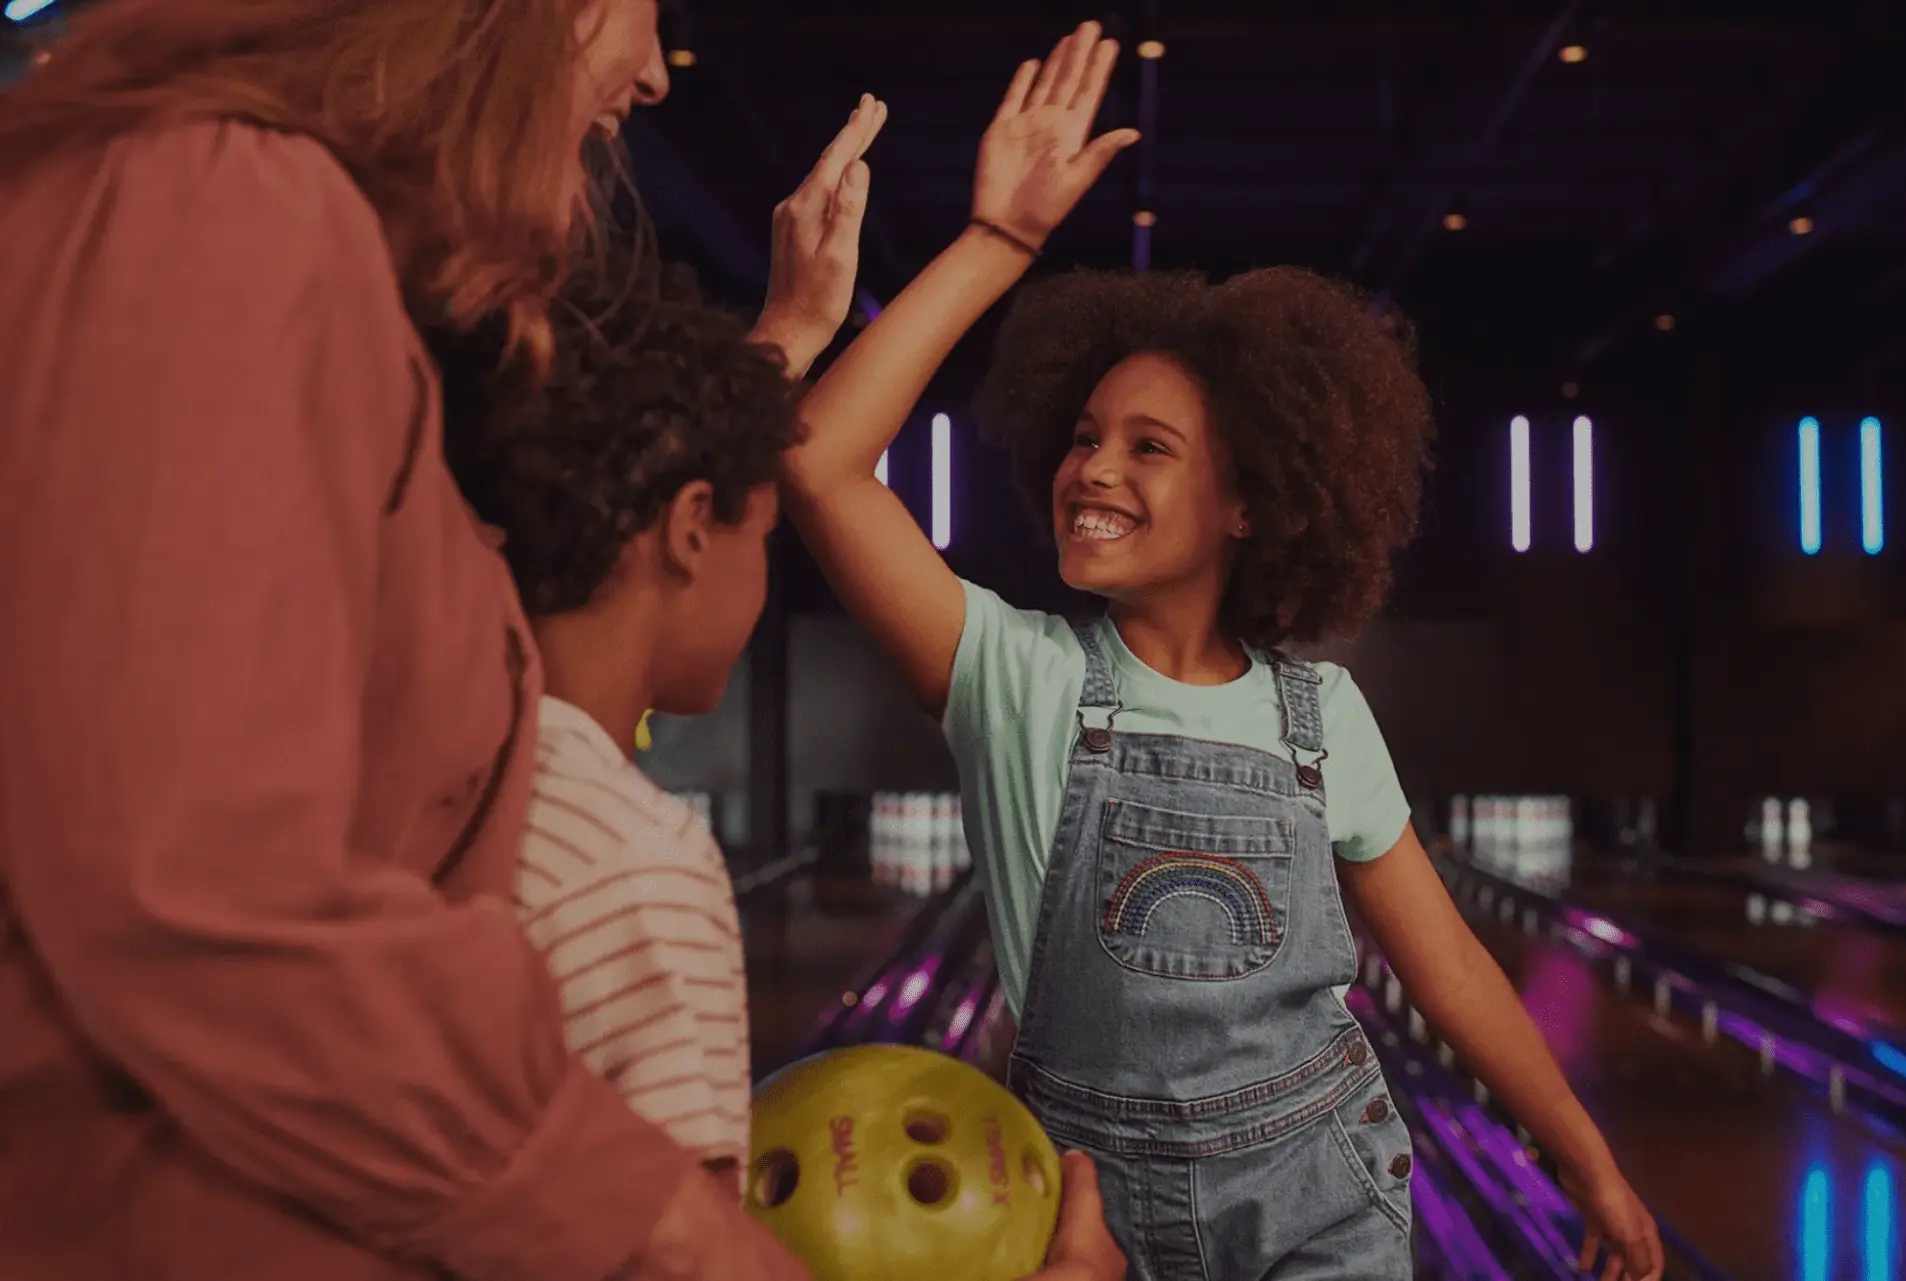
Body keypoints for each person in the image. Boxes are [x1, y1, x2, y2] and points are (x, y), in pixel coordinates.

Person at [776, 19, 1668, 1281]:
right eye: (1085, 436)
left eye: (1150, 448)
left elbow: (1451, 968)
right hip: (1081, 1198)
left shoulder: (1323, 715)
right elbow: (819, 462)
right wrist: (1000, 243)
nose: (1093, 468)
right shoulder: (1013, 674)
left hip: (1322, 1180)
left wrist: (1588, 1159)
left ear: (1251, 501)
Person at [0, 1, 837, 1278]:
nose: (658, 73)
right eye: (638, 10)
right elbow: (205, 888)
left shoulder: (288, 250)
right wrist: (681, 1240)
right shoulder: (231, 211)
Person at [447, 96, 1126, 1279]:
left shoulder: (449, 748)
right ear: (692, 529)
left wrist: (789, 330)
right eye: (763, 537)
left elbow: (628, 478)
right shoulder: (638, 875)